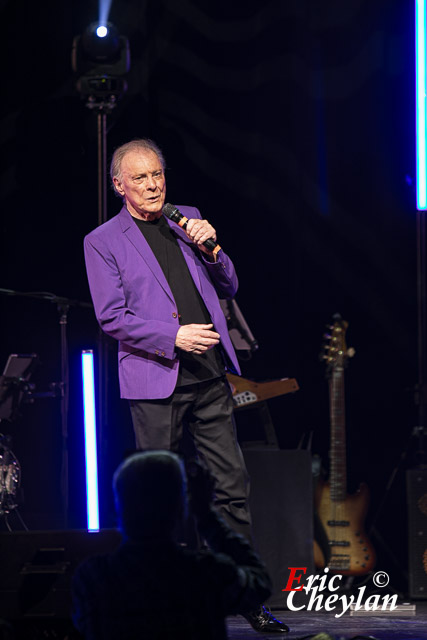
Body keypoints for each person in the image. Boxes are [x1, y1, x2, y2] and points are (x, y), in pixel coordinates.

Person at [83, 138, 288, 632]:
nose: (153, 185)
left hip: (210, 376)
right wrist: (172, 336)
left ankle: (245, 593)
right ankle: (162, 599)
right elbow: (112, 317)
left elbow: (230, 285)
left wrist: (213, 249)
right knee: (158, 496)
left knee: (231, 486)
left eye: (158, 175)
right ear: (119, 186)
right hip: (155, 381)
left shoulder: (186, 218)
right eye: (140, 178)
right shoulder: (103, 241)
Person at [72, 451, 273, 639]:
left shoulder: (93, 578)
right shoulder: (205, 572)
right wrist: (206, 515)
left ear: (118, 509)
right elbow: (260, 584)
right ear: (181, 510)